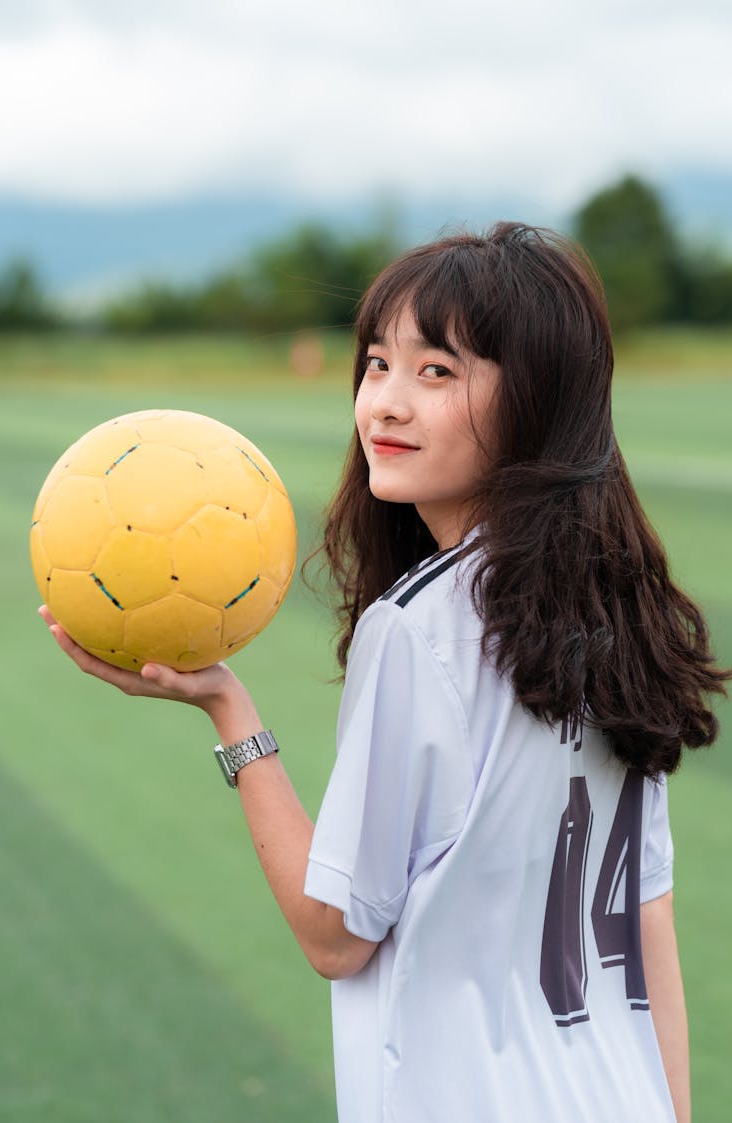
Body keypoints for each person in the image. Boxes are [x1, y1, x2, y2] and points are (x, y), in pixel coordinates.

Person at [40, 223, 728, 1123]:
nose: (386, 405)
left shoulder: (416, 629)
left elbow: (338, 933)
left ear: (539, 402)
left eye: (437, 371)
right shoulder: (613, 611)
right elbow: (649, 927)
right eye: (376, 364)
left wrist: (231, 714)